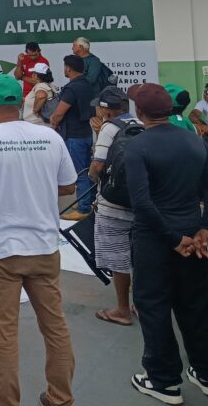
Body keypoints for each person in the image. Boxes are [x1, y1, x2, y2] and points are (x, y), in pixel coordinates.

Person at [0, 75, 77, 406]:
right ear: (21, 102)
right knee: (55, 327)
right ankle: (61, 396)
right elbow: (69, 185)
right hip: (43, 247)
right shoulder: (49, 136)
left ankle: (6, 401)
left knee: (3, 334)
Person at [123, 84, 208, 403]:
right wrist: (206, 227)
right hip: (193, 236)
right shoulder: (194, 140)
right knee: (196, 305)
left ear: (140, 112)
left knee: (153, 306)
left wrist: (172, 238)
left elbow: (142, 202)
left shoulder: (137, 147)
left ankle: (164, 380)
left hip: (156, 240)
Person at [86, 86, 138, 327]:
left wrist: (93, 178)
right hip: (138, 203)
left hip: (113, 205)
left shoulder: (108, 128)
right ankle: (140, 304)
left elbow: (97, 166)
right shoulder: (139, 123)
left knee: (118, 260)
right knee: (138, 257)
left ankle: (122, 310)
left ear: (105, 110)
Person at [50, 55, 95, 220]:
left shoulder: (72, 88)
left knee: (79, 173)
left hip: (74, 136)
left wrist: (53, 124)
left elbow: (59, 113)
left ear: (68, 68)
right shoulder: (87, 85)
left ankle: (83, 209)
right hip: (86, 133)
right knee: (88, 171)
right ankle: (89, 201)